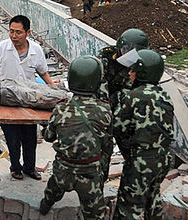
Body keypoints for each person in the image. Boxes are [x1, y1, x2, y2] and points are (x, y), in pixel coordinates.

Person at [39, 56, 112, 219]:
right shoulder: (104, 110)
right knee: (94, 214)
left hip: (63, 170)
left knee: (52, 192)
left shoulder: (61, 108)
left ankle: (45, 207)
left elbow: (49, 137)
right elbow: (107, 143)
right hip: (90, 173)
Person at [0, 15, 56, 181]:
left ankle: (30, 168)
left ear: (28, 33)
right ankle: (15, 168)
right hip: (7, 102)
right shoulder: (0, 48)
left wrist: (53, 90)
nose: (14, 36)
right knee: (12, 139)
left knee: (30, 138)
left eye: (18, 32)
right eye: (11, 31)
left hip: (29, 102)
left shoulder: (36, 51)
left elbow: (42, 72)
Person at [113, 49, 173, 220]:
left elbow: (116, 126)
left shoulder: (133, 96)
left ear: (142, 72)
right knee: (153, 199)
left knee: (128, 207)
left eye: (133, 70)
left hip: (141, 162)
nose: (130, 73)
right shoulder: (164, 95)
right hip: (163, 159)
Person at [97, 29, 149, 161]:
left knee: (127, 145)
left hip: (124, 104)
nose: (129, 53)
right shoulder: (107, 56)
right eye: (127, 49)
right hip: (105, 101)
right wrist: (105, 105)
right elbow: (100, 80)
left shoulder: (140, 60)